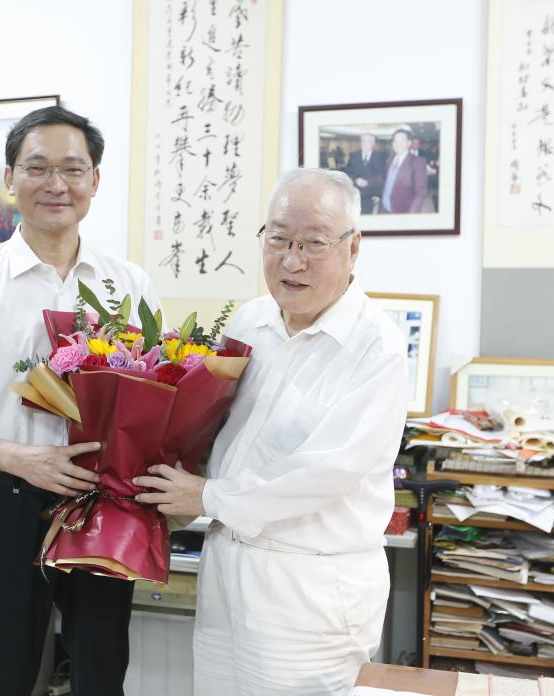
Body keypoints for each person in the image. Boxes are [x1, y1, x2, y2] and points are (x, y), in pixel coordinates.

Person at [0, 105, 160, 696]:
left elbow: (150, 398)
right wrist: (21, 459)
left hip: (104, 502)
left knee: (101, 676)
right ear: (10, 180)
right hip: (4, 501)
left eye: (73, 168)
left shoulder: (129, 285)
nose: (55, 184)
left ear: (95, 180)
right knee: (2, 677)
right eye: (37, 168)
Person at [134, 168, 407, 695]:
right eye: (278, 239)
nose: (292, 260)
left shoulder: (376, 347)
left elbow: (324, 473)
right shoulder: (249, 323)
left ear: (353, 248)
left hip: (308, 591)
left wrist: (206, 495)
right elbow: (212, 428)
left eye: (313, 243)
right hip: (226, 567)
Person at [380, 128, 429, 213]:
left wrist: (411, 214)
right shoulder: (389, 160)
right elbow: (385, 179)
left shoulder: (418, 162)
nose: (397, 144)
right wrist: (368, 182)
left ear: (408, 143)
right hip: (383, 207)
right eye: (395, 141)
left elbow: (421, 192)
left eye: (402, 141)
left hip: (401, 210)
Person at [343, 132, 386, 214]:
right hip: (355, 194)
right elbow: (348, 172)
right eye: (363, 141)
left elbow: (382, 177)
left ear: (373, 143)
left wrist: (378, 194)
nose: (365, 144)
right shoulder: (354, 155)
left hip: (371, 195)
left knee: (366, 217)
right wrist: (355, 180)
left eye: (368, 141)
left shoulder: (380, 157)